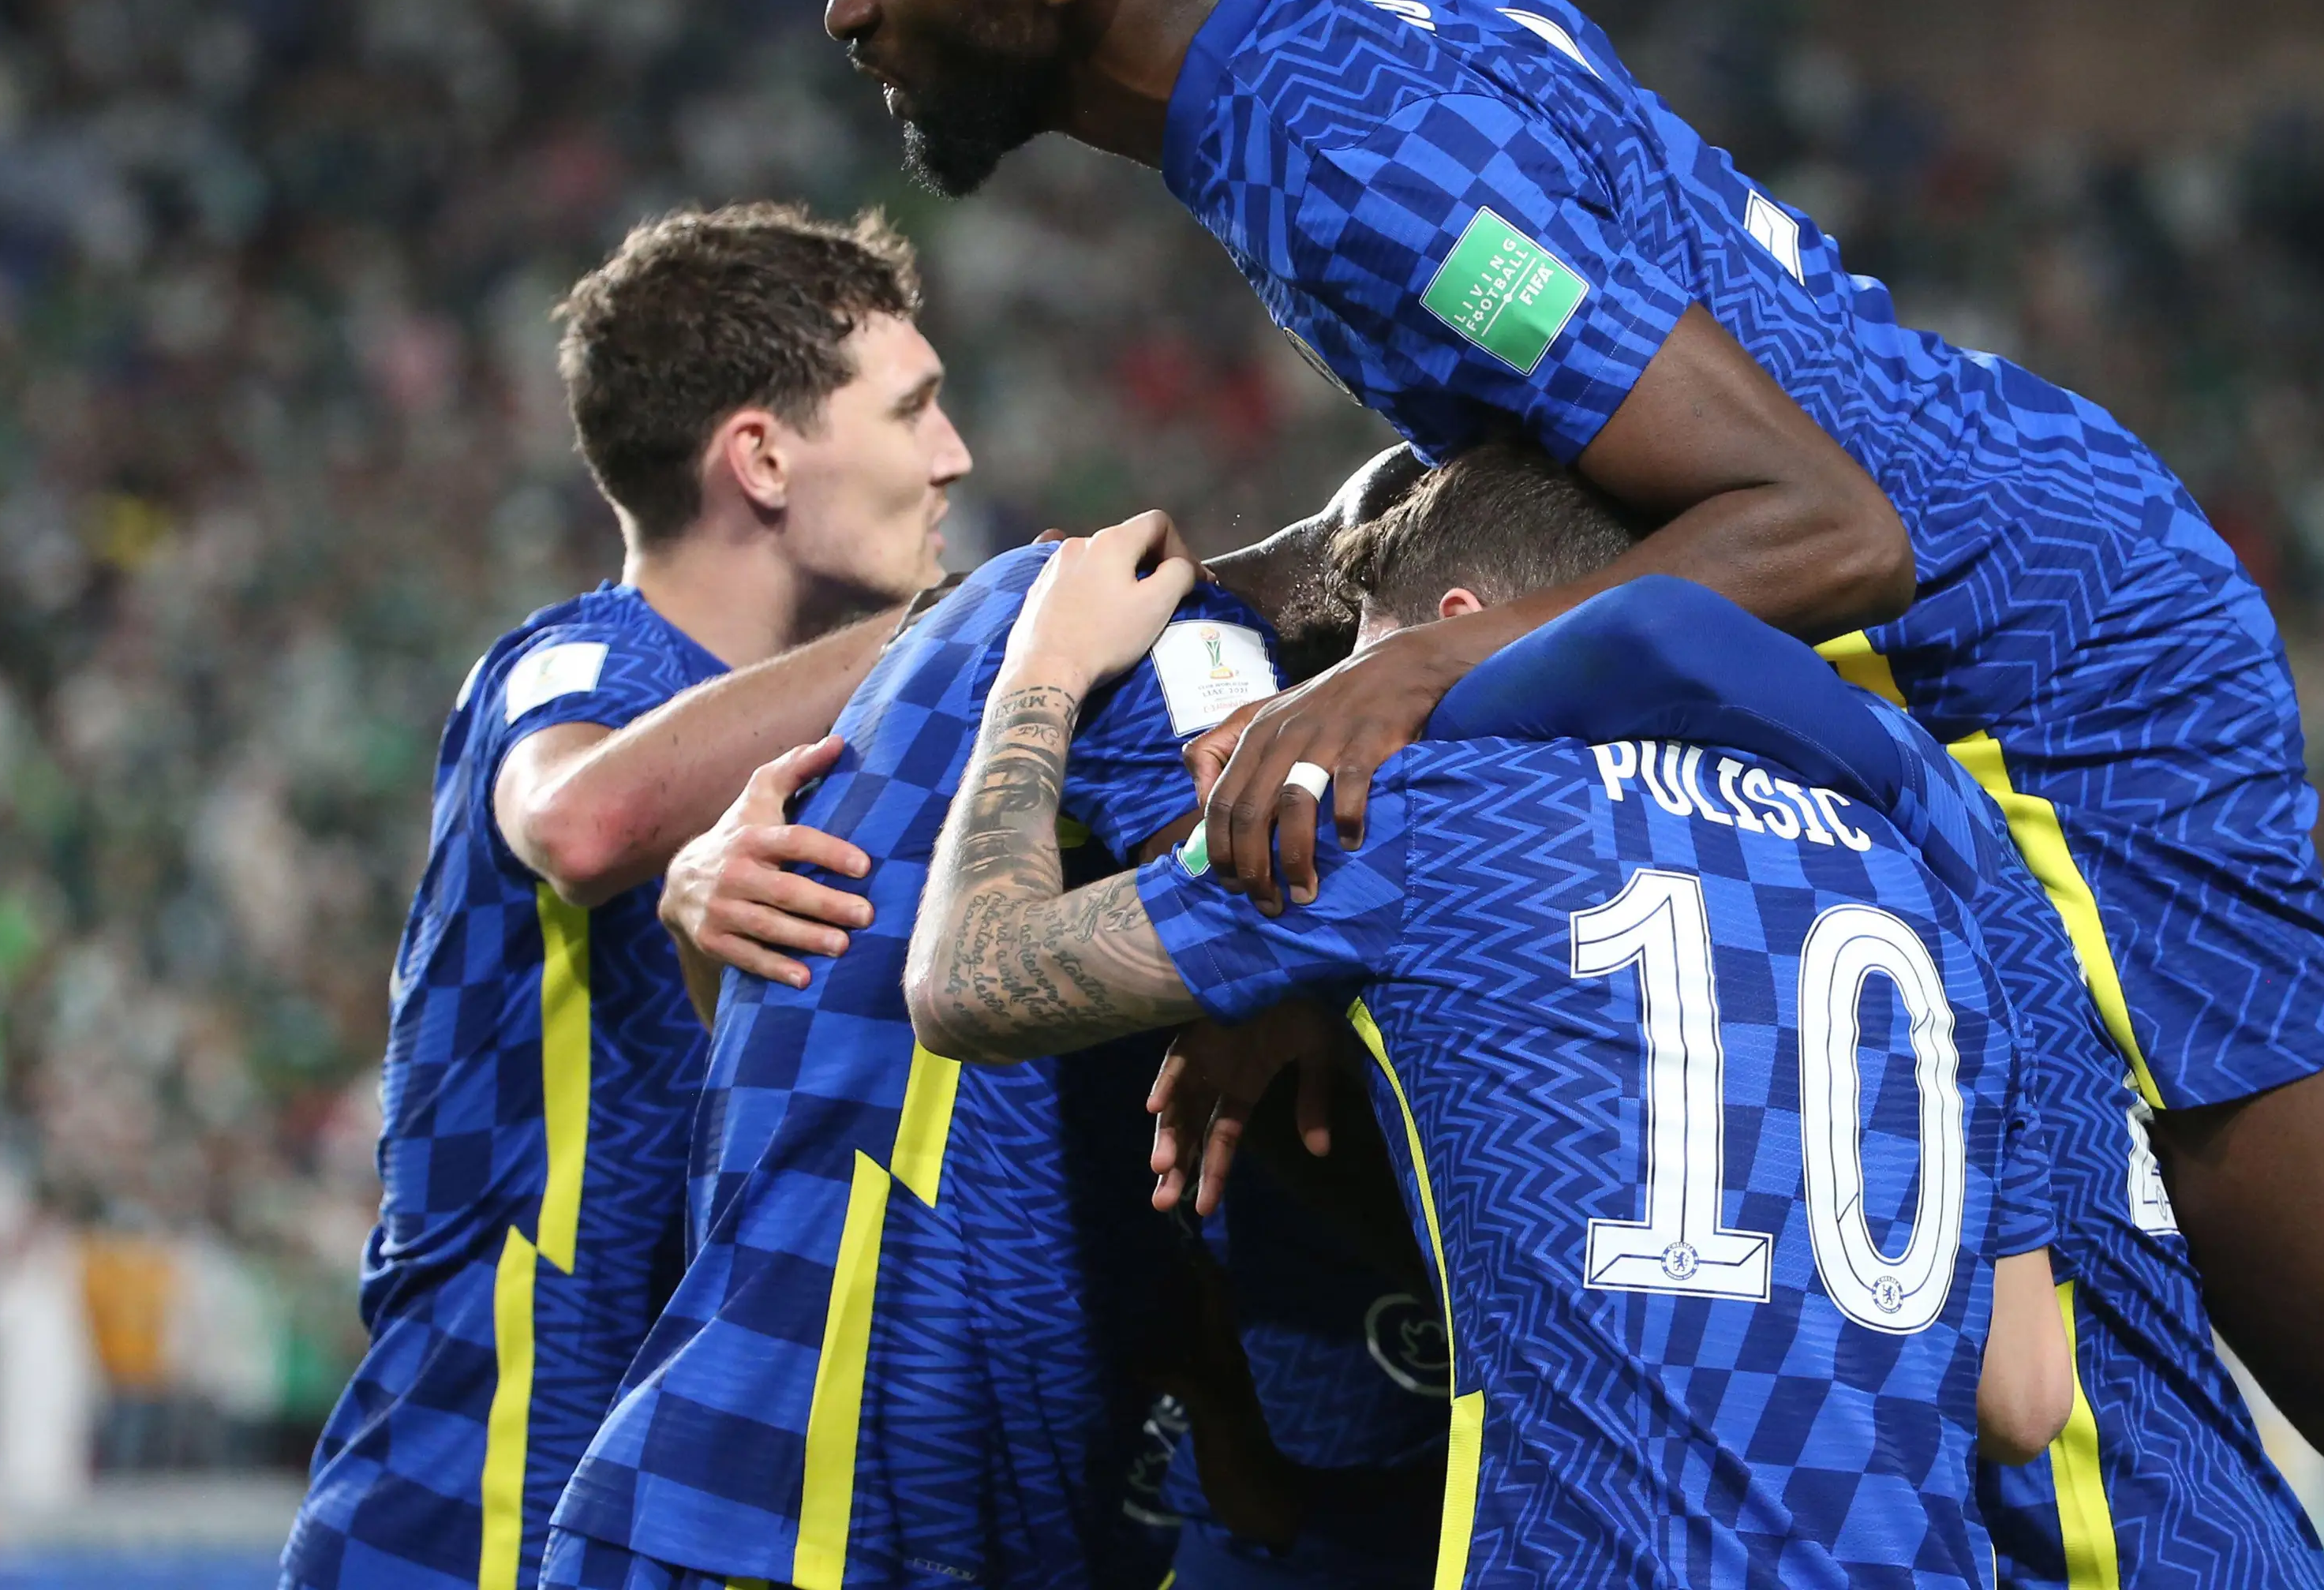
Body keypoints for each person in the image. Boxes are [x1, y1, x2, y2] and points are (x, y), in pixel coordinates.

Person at [816, 0, 2324, 1586]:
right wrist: (1242, 605)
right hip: (2039, 552)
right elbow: (1552, 430)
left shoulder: (1322, 147)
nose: (847, 6)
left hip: (2030, 672)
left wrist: (1413, 677)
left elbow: (1819, 521)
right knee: (2250, 1126)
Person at [903, 513, 2072, 1586]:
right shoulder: (1916, 872)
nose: (1316, 737)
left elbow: (969, 980)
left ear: (1455, 635)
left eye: (1351, 677)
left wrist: (1041, 671)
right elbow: (2025, 1398)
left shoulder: (1432, 811)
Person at [284, 203, 971, 1590]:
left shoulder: (861, 733)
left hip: (672, 1498)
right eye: (915, 412)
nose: (954, 456)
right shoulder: (576, 669)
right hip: (473, 1496)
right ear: (761, 458)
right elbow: (585, 819)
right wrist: (972, 616)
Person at [541, 540, 1301, 1590]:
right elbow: (1251, 903)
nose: (950, 453)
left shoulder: (920, 707)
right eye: (909, 410)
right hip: (815, 1513)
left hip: (780, 1493)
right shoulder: (1145, 642)